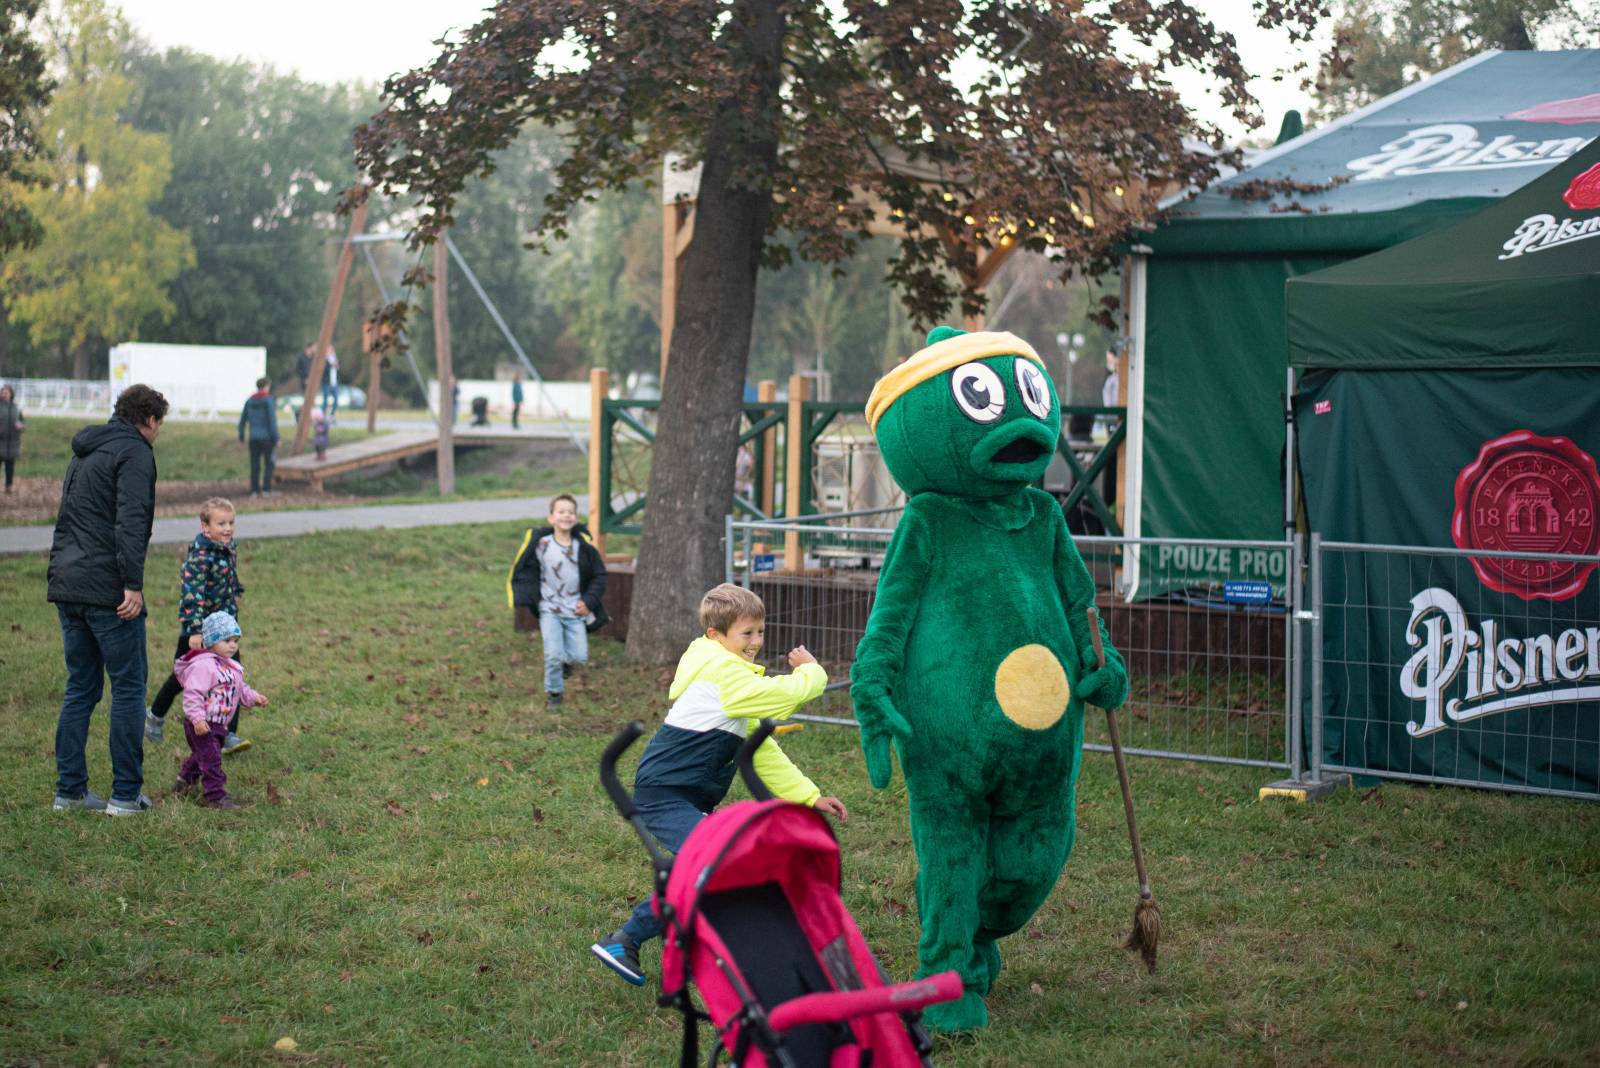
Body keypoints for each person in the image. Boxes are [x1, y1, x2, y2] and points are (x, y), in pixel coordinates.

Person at [588, 582, 846, 986]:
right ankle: (626, 939)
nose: (756, 642)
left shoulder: (732, 677)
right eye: (747, 634)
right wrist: (812, 672)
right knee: (712, 861)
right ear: (716, 635)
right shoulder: (725, 676)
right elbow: (781, 697)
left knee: (702, 867)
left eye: (760, 632)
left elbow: (760, 752)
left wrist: (810, 796)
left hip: (690, 795)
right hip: (664, 795)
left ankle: (683, 953)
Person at [47, 383, 168, 815]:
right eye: (159, 425)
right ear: (149, 420)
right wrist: (132, 584)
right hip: (109, 590)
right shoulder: (134, 452)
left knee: (80, 687)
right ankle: (124, 795)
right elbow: (131, 522)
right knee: (130, 687)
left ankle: (70, 792)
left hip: (68, 582)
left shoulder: (85, 450)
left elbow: (69, 518)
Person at [145, 497, 251, 755]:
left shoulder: (227, 547)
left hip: (225, 629)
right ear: (205, 527)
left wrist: (236, 591)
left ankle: (227, 734)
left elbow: (230, 574)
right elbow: (192, 593)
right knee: (183, 677)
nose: (227, 528)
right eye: (221, 523)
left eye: (231, 523)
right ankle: (155, 715)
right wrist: (194, 630)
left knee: (232, 674)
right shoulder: (201, 556)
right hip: (200, 630)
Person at [507, 493, 609, 708]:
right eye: (561, 512)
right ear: (551, 517)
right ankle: (554, 694)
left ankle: (566, 665)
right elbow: (524, 569)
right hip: (549, 608)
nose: (566, 515)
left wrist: (589, 602)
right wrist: (528, 596)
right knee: (553, 655)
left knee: (579, 657)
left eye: (570, 512)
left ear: (575, 518)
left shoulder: (585, 548)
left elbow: (600, 576)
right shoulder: (540, 545)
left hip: (575, 610)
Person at [171, 610, 268, 810]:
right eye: (226, 640)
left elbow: (240, 688)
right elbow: (193, 694)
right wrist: (197, 719)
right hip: (202, 722)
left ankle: (184, 782)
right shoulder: (203, 666)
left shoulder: (231, 666)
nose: (233, 645)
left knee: (201, 755)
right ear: (211, 642)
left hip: (219, 724)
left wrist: (254, 697)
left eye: (235, 640)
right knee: (212, 758)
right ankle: (215, 796)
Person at [238, 376, 278, 497]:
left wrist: (241, 437)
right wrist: (276, 438)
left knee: (255, 465)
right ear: (266, 386)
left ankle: (254, 490)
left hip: (253, 437)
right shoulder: (268, 400)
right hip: (266, 438)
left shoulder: (249, 401)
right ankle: (266, 489)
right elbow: (272, 420)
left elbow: (242, 421)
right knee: (269, 463)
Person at [0, 383, 23, 494]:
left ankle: (8, 487)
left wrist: (21, 426)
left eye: (6, 392)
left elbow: (22, 421)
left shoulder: (16, 408)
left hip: (12, 443)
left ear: (11, 394)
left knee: (10, 467)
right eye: (3, 392)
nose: (4, 394)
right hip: (0, 442)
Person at [319, 349, 339, 420]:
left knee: (336, 400)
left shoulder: (334, 358)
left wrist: (335, 364)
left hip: (334, 382)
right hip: (326, 382)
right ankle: (322, 415)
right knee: (325, 400)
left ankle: (332, 415)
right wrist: (331, 365)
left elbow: (337, 368)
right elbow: (323, 369)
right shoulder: (324, 359)